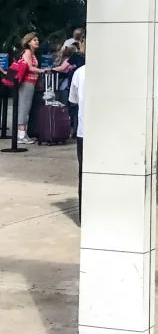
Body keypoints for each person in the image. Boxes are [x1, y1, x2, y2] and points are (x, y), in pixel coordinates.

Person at [17, 32, 47, 144]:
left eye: (37, 39)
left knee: (26, 107)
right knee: (24, 108)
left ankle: (23, 134)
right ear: (28, 42)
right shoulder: (28, 52)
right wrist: (42, 70)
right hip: (27, 82)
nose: (37, 41)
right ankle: (21, 135)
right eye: (34, 40)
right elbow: (29, 67)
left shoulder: (32, 53)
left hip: (31, 82)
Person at [69, 63, 86, 220]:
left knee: (84, 173)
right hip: (107, 132)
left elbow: (73, 100)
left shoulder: (79, 72)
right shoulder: (111, 71)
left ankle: (84, 215)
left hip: (84, 131)